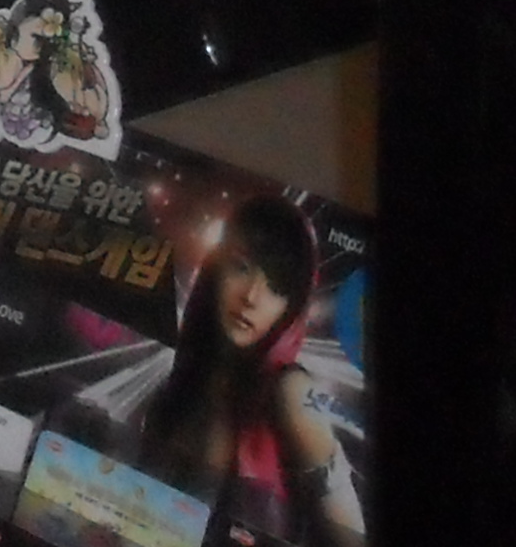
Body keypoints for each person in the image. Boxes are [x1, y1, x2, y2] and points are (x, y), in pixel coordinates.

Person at [135, 197, 366, 547]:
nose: (252, 297)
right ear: (215, 269)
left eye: (277, 287)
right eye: (241, 267)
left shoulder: (292, 392)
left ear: (292, 305)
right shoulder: (176, 388)